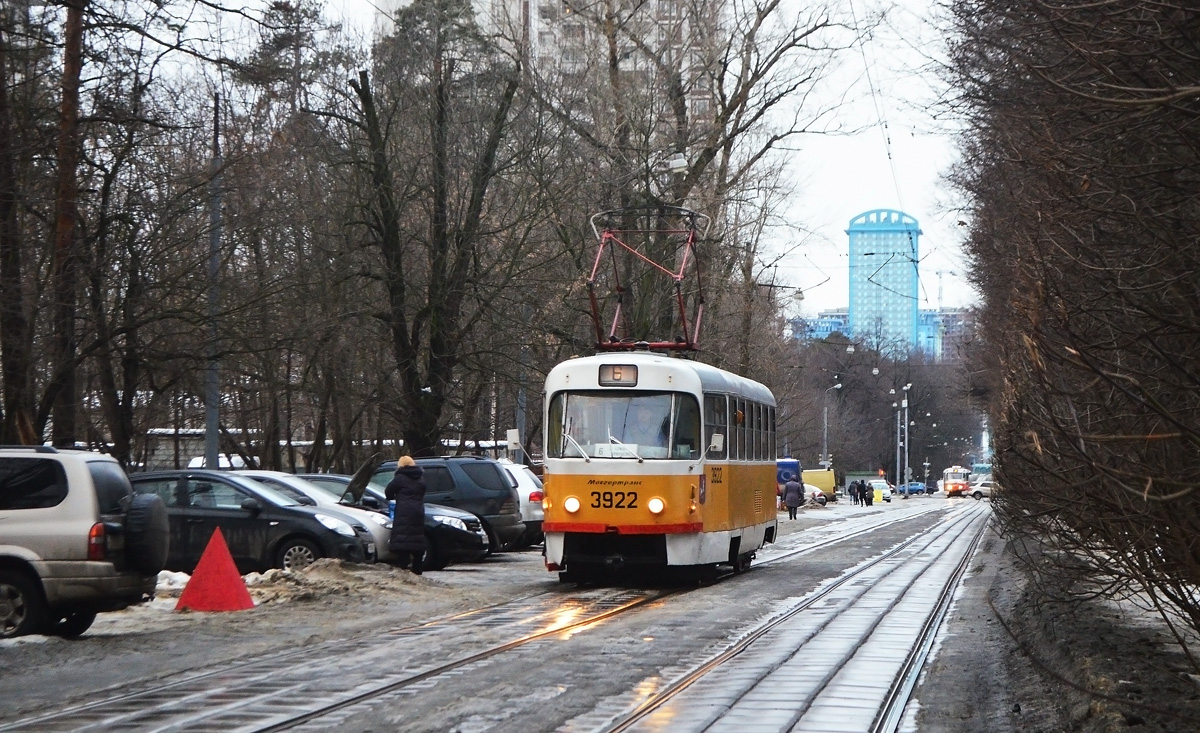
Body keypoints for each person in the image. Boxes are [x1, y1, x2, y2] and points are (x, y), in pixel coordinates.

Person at [385, 455, 427, 574]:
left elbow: (388, 492)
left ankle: (403, 568)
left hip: (403, 511)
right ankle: (417, 568)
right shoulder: (421, 478)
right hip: (418, 511)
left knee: (403, 538)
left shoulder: (400, 478)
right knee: (417, 536)